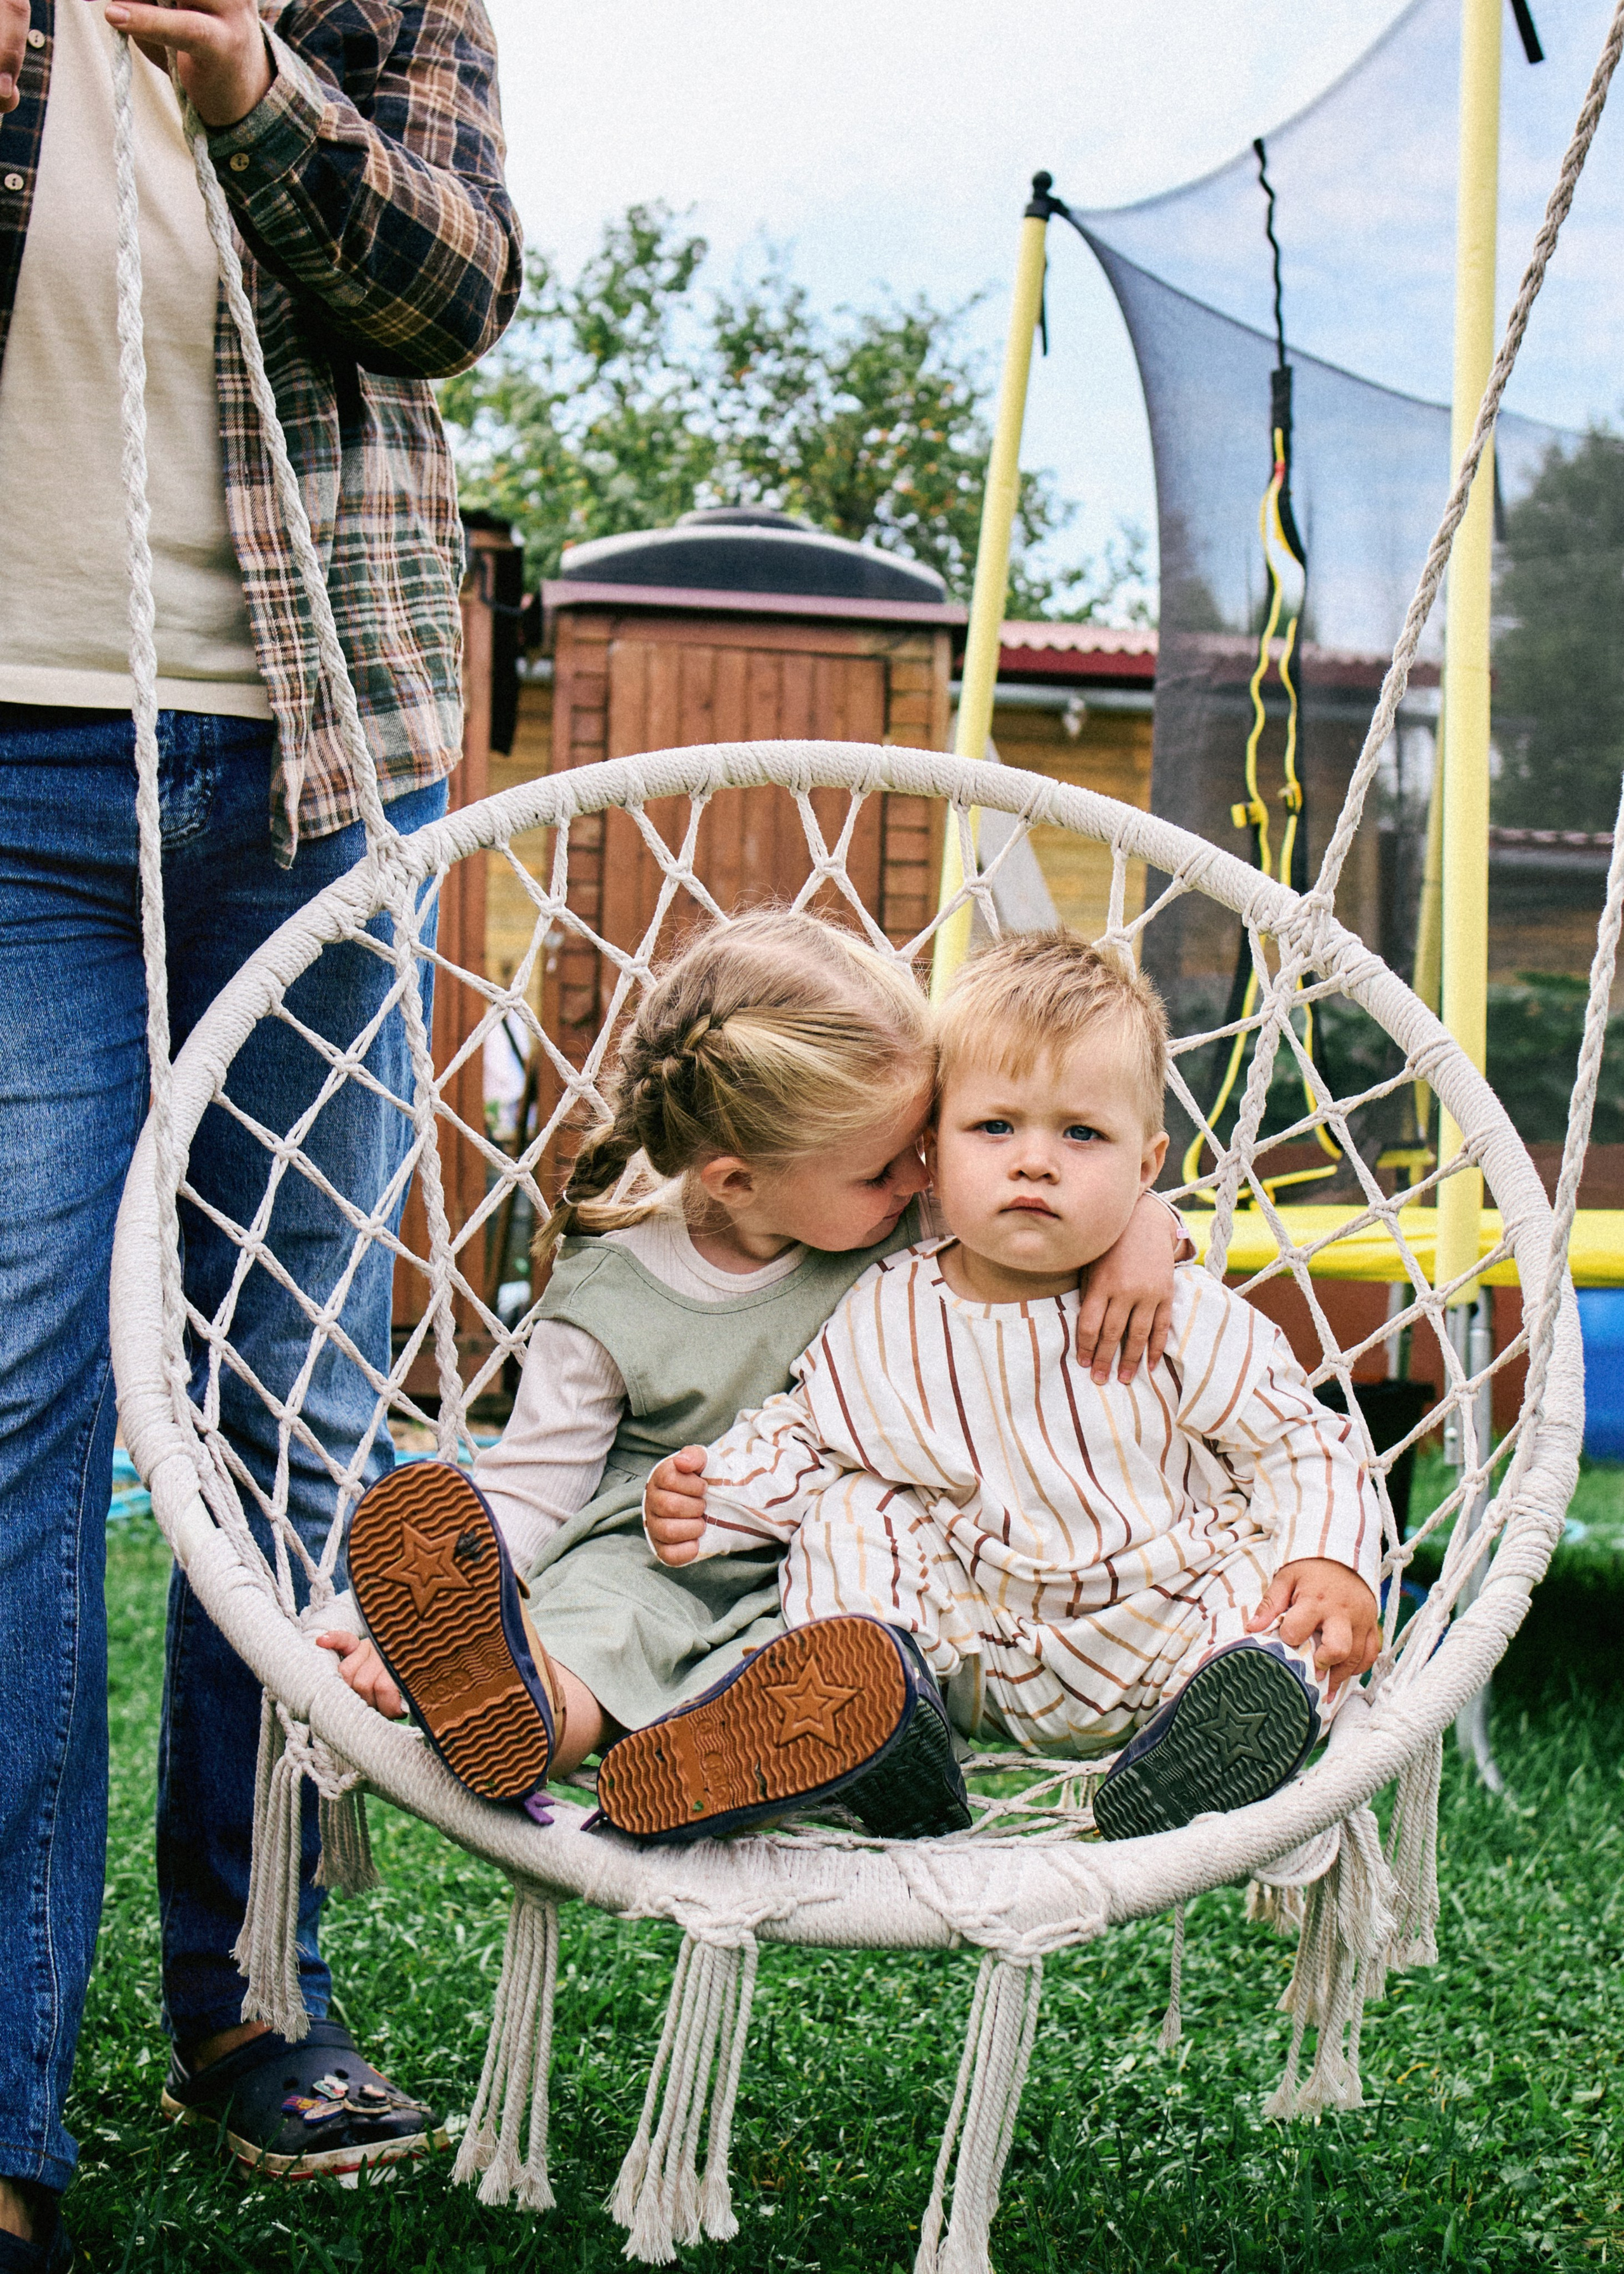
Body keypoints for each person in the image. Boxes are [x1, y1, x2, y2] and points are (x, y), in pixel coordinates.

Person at [0, 0, 519, 2255]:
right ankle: (2, 2076)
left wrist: (249, 89)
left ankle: (257, 1995)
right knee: (13, 1401)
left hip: (321, 774)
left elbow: (456, 289)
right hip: (14, 774)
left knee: (284, 1404)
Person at [322, 911, 1189, 1839]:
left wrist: (1147, 1225)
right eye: (886, 1167)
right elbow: (540, 1481)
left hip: (849, 1570)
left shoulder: (910, 1210)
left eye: (924, 1141)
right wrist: (389, 1615)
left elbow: (1059, 1211)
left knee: (837, 1669)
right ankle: (502, 1690)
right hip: (663, 1549)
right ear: (737, 1181)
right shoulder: (615, 1282)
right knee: (599, 1640)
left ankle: (726, 1751)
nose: (923, 1172)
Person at [618, 930, 1383, 1845]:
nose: (1035, 1161)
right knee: (855, 1513)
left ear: (1147, 1168)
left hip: (1172, 1616)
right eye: (995, 1127)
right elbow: (812, 1436)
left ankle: (1223, 1732)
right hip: (972, 1639)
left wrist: (1332, 1560)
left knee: (1279, 1596)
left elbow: (1300, 1438)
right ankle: (877, 1724)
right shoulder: (890, 1307)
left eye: (1082, 1134)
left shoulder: (1180, 1308)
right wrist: (718, 1498)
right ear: (931, 1151)